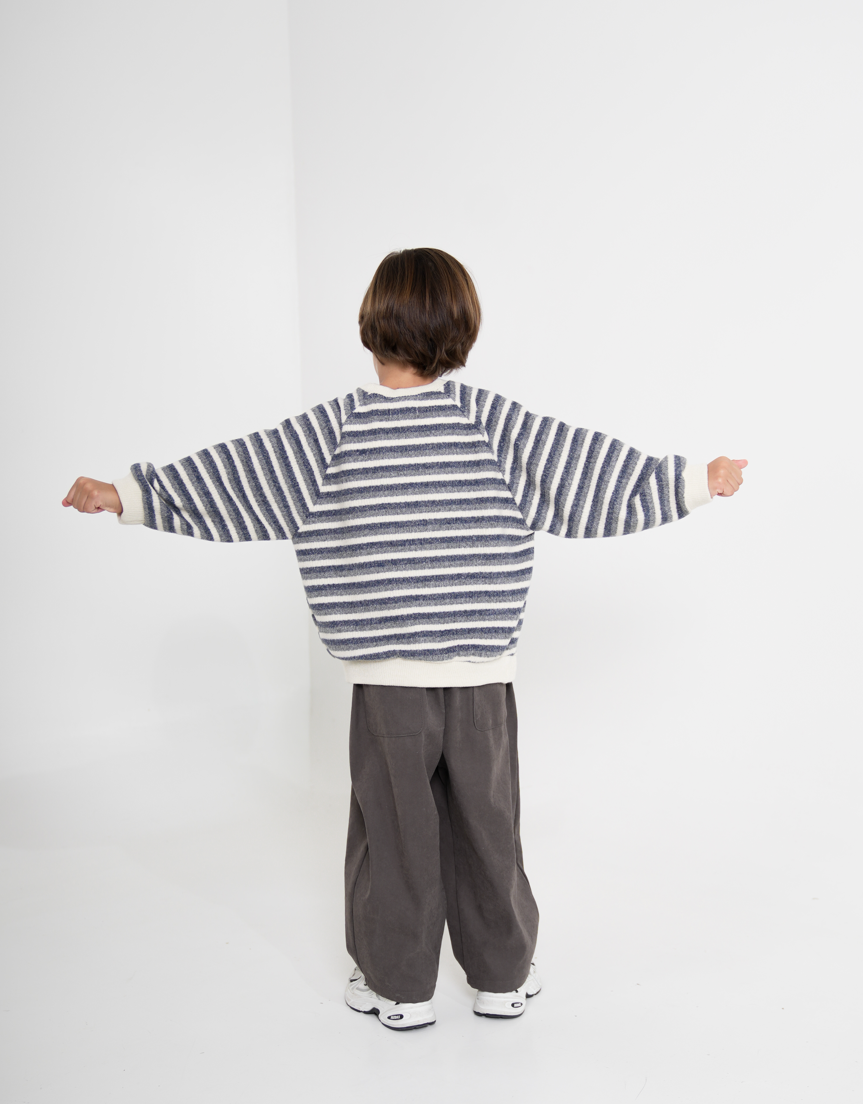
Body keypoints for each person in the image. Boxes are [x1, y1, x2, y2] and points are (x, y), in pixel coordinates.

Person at [63, 247, 746, 1032]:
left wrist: (128, 496)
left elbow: (232, 480)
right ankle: (501, 977)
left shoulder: (332, 433)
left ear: (371, 325)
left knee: (393, 832)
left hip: (388, 684)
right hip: (480, 679)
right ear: (462, 330)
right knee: (489, 826)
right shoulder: (492, 424)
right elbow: (590, 475)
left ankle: (399, 987)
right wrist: (692, 482)